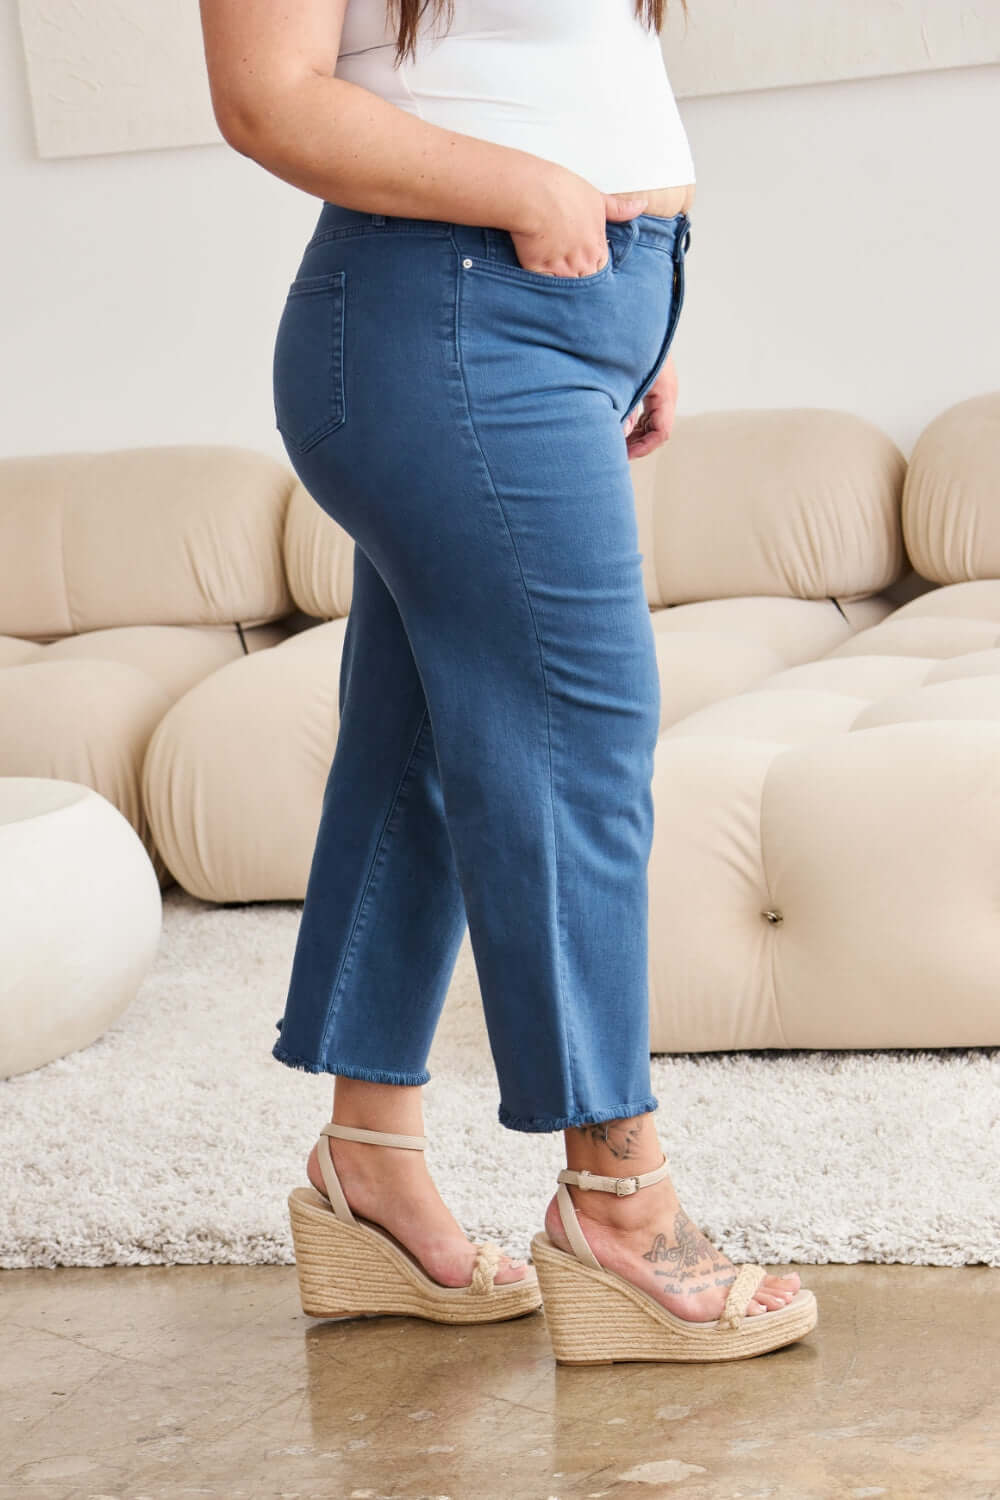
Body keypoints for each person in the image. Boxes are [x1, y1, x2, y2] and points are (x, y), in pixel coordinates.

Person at [200, 0, 817, 1363]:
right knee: (578, 736)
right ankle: (617, 1195)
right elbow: (265, 96)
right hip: (447, 318)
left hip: (547, 323)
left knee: (417, 738)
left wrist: (636, 323)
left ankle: (366, 1164)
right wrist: (533, 191)